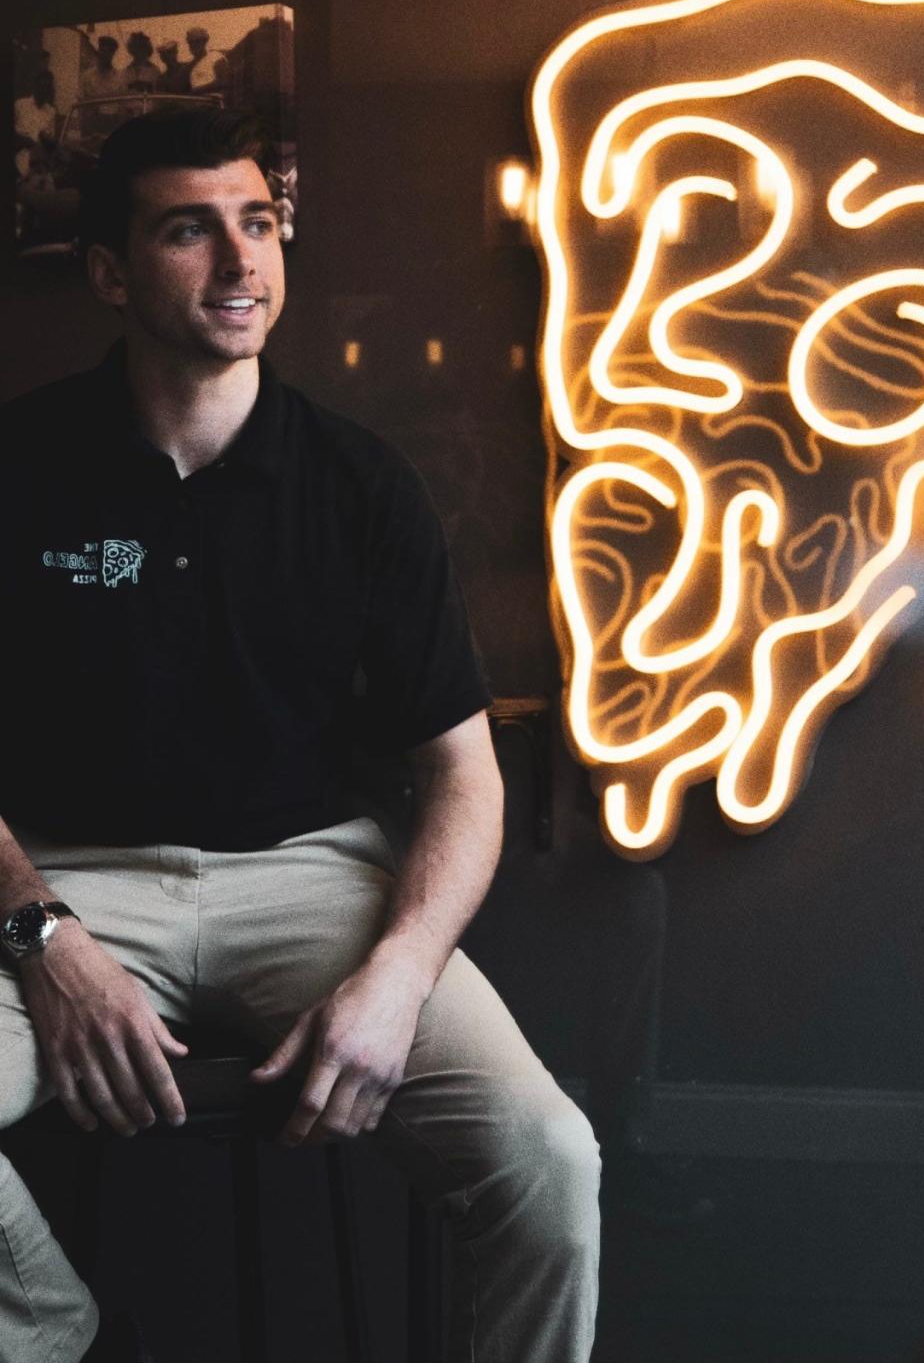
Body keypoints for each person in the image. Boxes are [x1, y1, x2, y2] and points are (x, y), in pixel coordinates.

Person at [0, 107, 601, 1363]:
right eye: (190, 230)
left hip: (313, 878)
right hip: (61, 883)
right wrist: (43, 935)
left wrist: (397, 977)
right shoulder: (22, 464)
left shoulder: (361, 485)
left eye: (258, 224)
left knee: (547, 1159)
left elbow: (461, 774)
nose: (241, 263)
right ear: (110, 272)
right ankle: (51, 1325)